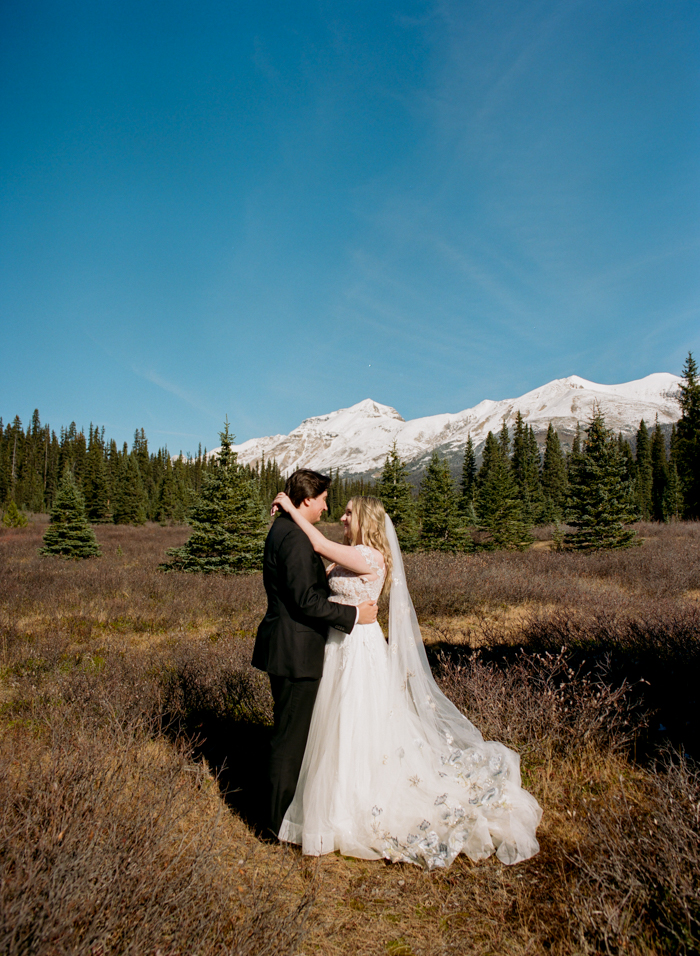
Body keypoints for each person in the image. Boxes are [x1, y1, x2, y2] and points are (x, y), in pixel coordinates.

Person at [270, 492, 542, 869]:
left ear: (366, 519)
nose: (343, 518)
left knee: (354, 722)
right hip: (337, 646)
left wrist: (289, 510)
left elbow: (316, 542)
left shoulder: (370, 556)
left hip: (359, 649)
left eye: (349, 513)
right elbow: (312, 566)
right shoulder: (348, 555)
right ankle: (329, 802)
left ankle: (351, 807)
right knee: (331, 727)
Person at [252, 469, 379, 838]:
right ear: (307, 499)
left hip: (294, 647)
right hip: (296, 651)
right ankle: (275, 825)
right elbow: (307, 600)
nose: (329, 507)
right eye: (324, 499)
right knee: (290, 742)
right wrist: (354, 614)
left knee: (297, 735)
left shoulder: (286, 530)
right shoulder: (293, 538)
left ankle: (294, 811)